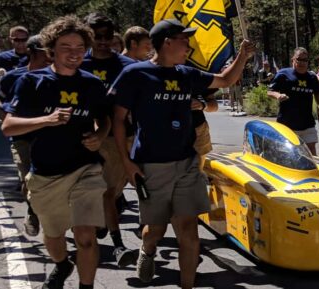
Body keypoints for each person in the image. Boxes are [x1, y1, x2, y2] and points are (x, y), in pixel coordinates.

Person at [109, 18, 255, 288]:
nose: (188, 45)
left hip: (187, 162)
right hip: (152, 165)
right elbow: (118, 119)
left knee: (188, 230)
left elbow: (225, 80)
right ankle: (147, 250)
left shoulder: (186, 74)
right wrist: (126, 162)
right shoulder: (135, 75)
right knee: (156, 229)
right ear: (166, 43)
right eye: (183, 40)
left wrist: (243, 57)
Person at [0, 16, 111, 289]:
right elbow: (8, 127)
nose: (74, 53)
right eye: (66, 46)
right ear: (51, 49)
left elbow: (105, 119)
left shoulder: (92, 84)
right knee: (54, 237)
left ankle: (87, 286)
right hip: (46, 173)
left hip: (86, 168)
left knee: (86, 236)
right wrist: (45, 120)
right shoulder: (31, 82)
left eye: (79, 47)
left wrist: (99, 135)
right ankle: (62, 264)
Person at [81, 12, 139, 262]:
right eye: (96, 36)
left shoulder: (127, 67)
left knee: (114, 191)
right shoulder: (78, 65)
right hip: (92, 139)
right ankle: (118, 246)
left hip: (126, 137)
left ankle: (105, 222)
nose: (102, 41)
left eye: (106, 36)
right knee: (104, 192)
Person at [0, 35, 52, 238]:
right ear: (34, 51)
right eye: (47, 50)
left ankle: (53, 220)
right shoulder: (14, 76)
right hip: (22, 139)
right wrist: (7, 118)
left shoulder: (57, 76)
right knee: (27, 180)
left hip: (50, 138)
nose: (51, 55)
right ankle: (33, 211)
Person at [267, 47, 319, 154]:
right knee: (289, 154)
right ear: (293, 59)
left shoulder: (312, 77)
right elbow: (270, 91)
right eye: (299, 59)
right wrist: (278, 95)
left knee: (311, 153)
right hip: (287, 124)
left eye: (305, 60)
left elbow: (317, 93)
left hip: (307, 124)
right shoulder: (283, 74)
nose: (302, 63)